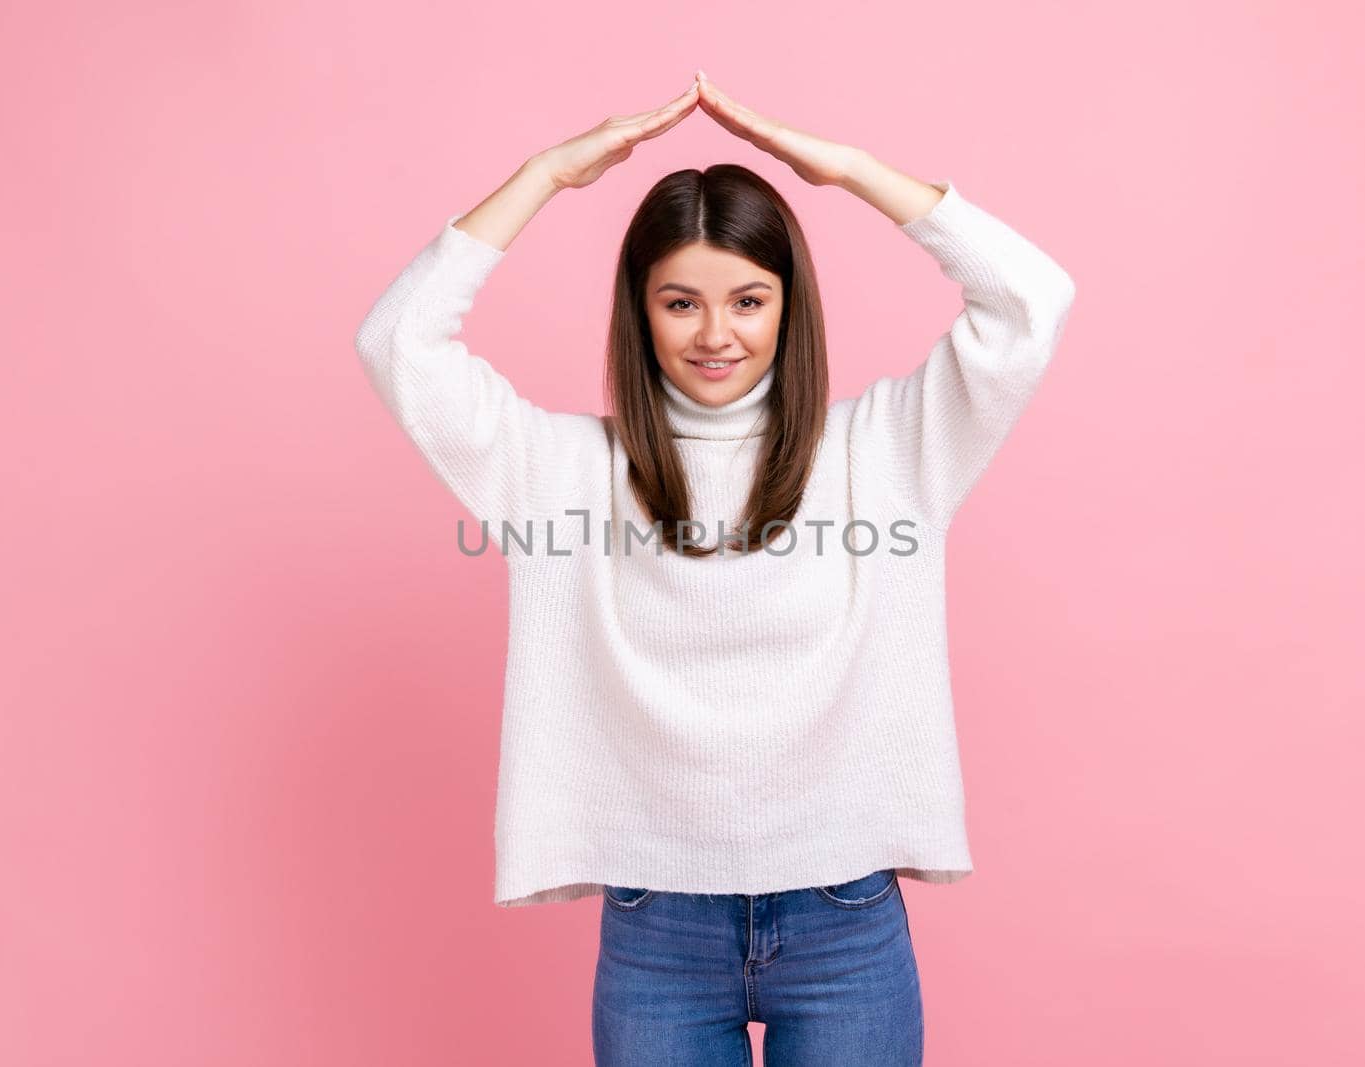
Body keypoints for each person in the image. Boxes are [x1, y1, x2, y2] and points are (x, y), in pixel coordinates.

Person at [354, 70, 1075, 1066]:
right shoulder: (565, 472)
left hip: (844, 916)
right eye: (679, 301)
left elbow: (1031, 299)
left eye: (747, 298)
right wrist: (546, 174)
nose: (715, 333)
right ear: (640, 310)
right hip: (658, 928)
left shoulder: (885, 450)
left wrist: (853, 173)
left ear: (789, 303)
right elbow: (398, 341)